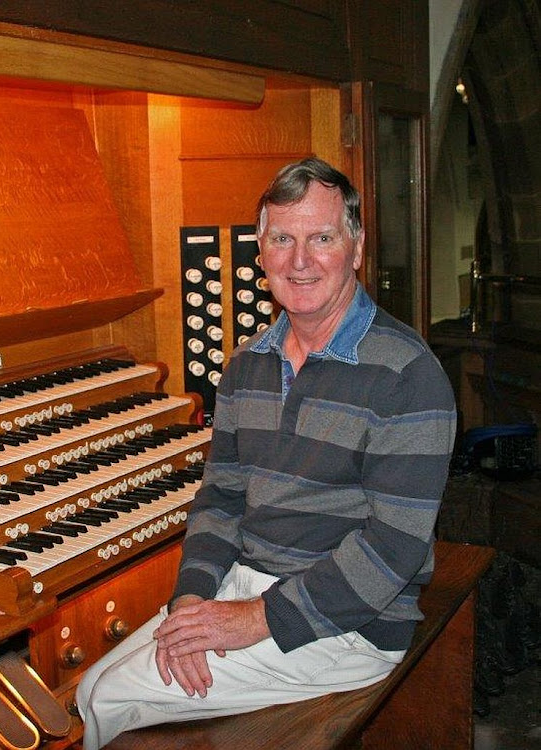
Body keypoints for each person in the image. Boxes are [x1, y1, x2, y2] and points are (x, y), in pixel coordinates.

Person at [75, 157, 457, 749]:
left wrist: (253, 621)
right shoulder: (249, 364)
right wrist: (192, 600)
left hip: (352, 622)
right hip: (245, 585)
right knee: (87, 685)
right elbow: (221, 496)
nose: (299, 260)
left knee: (111, 697)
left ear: (355, 248)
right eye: (282, 239)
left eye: (321, 238)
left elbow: (395, 548)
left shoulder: (409, 375)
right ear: (261, 253)